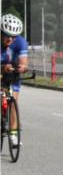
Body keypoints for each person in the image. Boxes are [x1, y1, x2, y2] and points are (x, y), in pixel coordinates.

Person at [1, 14, 29, 148]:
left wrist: (22, 68)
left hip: (12, 73)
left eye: (14, 36)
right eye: (7, 35)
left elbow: (24, 62)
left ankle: (13, 133)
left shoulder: (21, 42)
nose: (10, 39)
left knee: (12, 102)